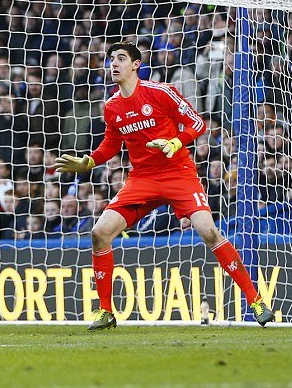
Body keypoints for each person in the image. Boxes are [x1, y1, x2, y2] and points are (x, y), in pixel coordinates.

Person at [54, 41, 275, 331]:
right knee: (99, 233)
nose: (114, 64)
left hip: (178, 173)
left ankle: (255, 300)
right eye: (111, 60)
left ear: (136, 64)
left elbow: (197, 123)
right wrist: (90, 162)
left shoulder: (160, 92)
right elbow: (111, 144)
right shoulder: (112, 106)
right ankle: (106, 311)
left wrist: (175, 142)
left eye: (120, 58)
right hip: (142, 179)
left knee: (209, 232)